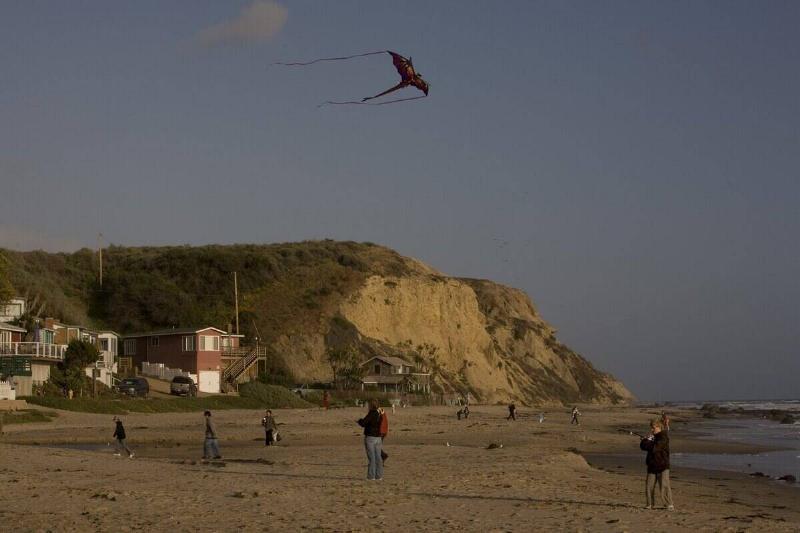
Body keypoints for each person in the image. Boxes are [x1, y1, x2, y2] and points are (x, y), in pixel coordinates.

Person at [639, 419, 674, 510]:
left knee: (664, 486)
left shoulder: (663, 437)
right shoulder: (652, 436)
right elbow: (643, 446)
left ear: (659, 427)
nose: (651, 429)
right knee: (649, 486)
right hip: (651, 465)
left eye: (653, 428)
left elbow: (656, 447)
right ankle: (650, 504)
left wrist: (648, 441)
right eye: (651, 428)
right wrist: (645, 440)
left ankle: (669, 504)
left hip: (662, 465)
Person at [357, 399, 384, 480]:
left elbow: (364, 423)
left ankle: (371, 476)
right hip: (378, 437)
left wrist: (359, 421)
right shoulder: (380, 413)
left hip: (371, 437)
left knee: (372, 457)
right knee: (378, 457)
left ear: (371, 405)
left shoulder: (372, 413)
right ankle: (379, 476)